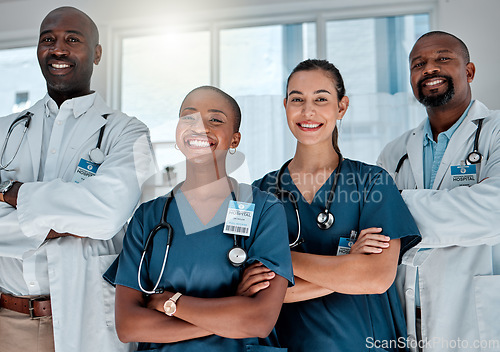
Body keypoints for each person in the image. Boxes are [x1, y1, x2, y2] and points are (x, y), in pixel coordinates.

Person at [0, 6, 155, 352]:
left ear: (97, 53)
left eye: (73, 39)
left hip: (85, 320)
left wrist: (14, 195)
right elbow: (90, 216)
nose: (59, 49)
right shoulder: (3, 130)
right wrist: (68, 219)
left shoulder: (128, 133)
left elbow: (105, 215)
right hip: (6, 321)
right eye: (48, 40)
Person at [248, 59, 421, 352]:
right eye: (297, 99)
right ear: (285, 106)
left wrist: (280, 260)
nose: (307, 111)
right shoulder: (261, 193)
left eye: (321, 99)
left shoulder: (372, 183)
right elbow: (254, 291)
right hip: (292, 344)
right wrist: (349, 266)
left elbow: (377, 277)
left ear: (341, 107)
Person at [104, 86, 293, 352]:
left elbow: (259, 320)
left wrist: (171, 303)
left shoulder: (264, 209)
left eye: (215, 120)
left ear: (235, 140)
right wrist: (229, 312)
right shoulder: (148, 218)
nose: (199, 127)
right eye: (188, 117)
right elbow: (129, 326)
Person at [377, 31, 500, 351]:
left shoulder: (496, 131)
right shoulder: (395, 151)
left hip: (476, 318)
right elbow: (376, 232)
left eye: (442, 58)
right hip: (408, 317)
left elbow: (493, 212)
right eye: (418, 64)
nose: (429, 68)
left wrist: (396, 207)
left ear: (469, 71)